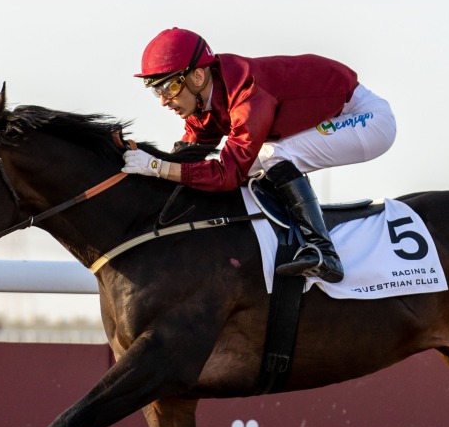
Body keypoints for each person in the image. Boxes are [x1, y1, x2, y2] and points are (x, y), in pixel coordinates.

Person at [121, 27, 397, 283]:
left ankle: (323, 251)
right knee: (259, 160)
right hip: (333, 112)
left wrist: (157, 167)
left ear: (197, 76)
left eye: (169, 87)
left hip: (367, 118)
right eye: (156, 89)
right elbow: (188, 156)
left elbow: (228, 174)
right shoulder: (204, 101)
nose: (163, 100)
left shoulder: (249, 96)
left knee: (272, 155)